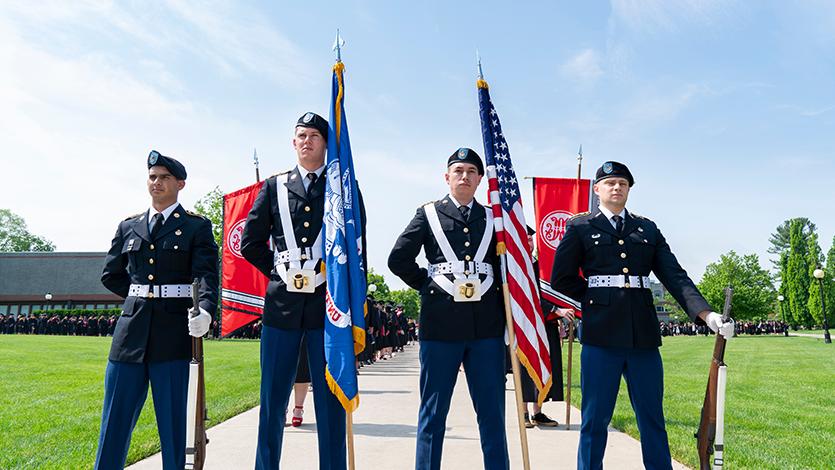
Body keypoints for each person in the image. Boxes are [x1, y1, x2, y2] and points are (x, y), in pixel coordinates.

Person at [550, 161, 734, 470]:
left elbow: (675, 276)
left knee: (652, 419)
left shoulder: (646, 229)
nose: (617, 187)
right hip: (601, 337)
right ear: (597, 190)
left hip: (643, 338)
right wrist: (596, 300)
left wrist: (706, 314)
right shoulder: (580, 227)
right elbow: (562, 278)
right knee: (595, 420)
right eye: (609, 183)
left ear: (629, 189)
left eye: (622, 182)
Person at [241, 112, 366, 470]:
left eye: (314, 135)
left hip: (329, 308)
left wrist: (354, 299)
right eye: (301, 135)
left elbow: (357, 247)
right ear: (293, 142)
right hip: (282, 307)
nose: (307, 140)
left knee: (329, 401)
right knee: (273, 399)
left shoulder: (343, 186)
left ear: (327, 143)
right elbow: (250, 243)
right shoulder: (273, 186)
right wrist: (281, 272)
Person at [95, 150, 218, 470]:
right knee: (114, 422)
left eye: (164, 177)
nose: (157, 182)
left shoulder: (196, 227)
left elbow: (206, 274)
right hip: (130, 335)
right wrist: (141, 296)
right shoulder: (129, 226)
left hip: (173, 334)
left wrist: (204, 309)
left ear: (180, 183)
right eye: (152, 177)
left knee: (173, 426)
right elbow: (111, 274)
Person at [388, 148, 508, 470]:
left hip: (486, 329)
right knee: (433, 414)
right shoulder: (427, 214)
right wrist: (429, 287)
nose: (465, 176)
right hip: (441, 327)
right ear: (447, 177)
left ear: (481, 179)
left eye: (471, 171)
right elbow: (397, 259)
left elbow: (511, 269)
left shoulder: (496, 219)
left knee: (493, 415)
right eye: (458, 171)